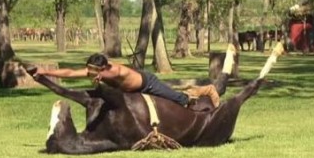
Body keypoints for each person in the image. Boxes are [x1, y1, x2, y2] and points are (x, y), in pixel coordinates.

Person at [35, 53, 219, 107]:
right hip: (129, 91)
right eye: (89, 70)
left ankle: (204, 90)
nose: (90, 73)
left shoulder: (117, 71)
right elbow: (70, 73)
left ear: (105, 68)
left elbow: (111, 76)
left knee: (178, 99)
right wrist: (46, 72)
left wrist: (99, 80)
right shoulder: (98, 71)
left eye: (94, 71)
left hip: (148, 83)